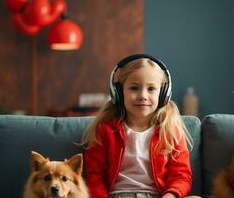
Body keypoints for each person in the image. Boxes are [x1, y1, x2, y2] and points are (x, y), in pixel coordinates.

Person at [82, 54, 193, 198]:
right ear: (119, 93)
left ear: (163, 94)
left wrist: (171, 195)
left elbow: (181, 175)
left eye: (151, 89)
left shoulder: (171, 131)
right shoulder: (104, 130)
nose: (143, 95)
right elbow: (95, 175)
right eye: (134, 88)